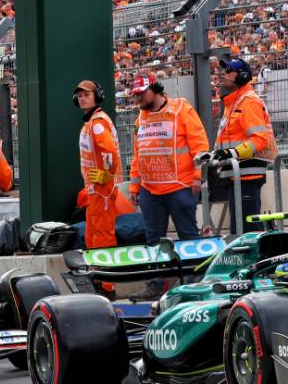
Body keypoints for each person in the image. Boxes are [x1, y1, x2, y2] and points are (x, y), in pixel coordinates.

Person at [129, 73, 209, 245]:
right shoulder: (140, 119)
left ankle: (193, 272)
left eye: (142, 93)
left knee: (188, 236)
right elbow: (138, 154)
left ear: (155, 89)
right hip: (149, 191)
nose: (139, 98)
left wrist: (198, 176)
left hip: (180, 187)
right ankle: (159, 273)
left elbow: (200, 145)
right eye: (136, 94)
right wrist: (135, 187)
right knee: (153, 241)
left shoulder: (181, 109)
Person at [212, 56, 277, 233]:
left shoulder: (248, 101)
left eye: (228, 71)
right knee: (239, 231)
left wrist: (232, 153)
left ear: (241, 76)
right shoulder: (233, 103)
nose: (223, 74)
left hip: (247, 176)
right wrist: (213, 155)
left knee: (246, 232)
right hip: (236, 175)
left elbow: (259, 139)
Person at [74, 80, 121, 296]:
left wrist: (107, 175)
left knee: (102, 237)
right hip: (95, 191)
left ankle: (107, 286)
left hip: (103, 190)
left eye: (87, 94)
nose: (82, 98)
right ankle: (97, 280)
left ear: (96, 96)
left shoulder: (98, 122)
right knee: (92, 237)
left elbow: (109, 150)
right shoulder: (91, 122)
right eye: (80, 95)